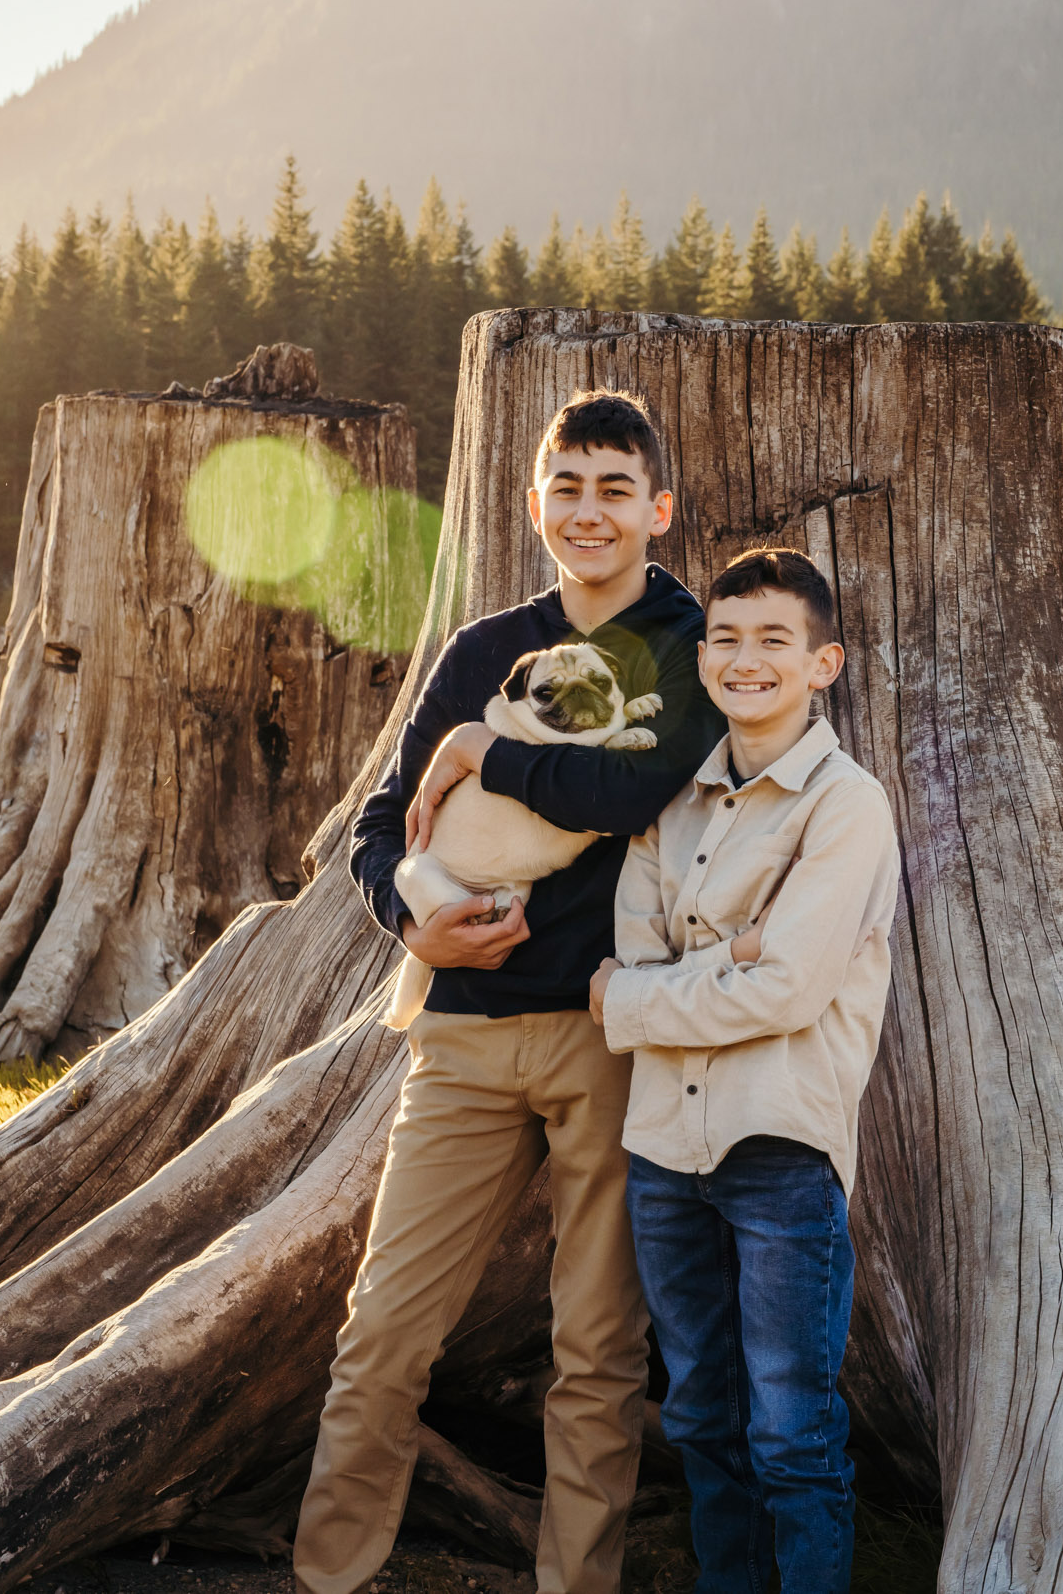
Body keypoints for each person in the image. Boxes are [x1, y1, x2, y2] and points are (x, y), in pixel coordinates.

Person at [296, 390, 724, 1594]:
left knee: (596, 1354)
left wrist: (485, 751)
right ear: (533, 502)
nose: (590, 512)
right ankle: (329, 1575)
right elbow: (379, 827)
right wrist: (413, 910)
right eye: (568, 488)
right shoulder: (485, 647)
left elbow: (628, 795)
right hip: (462, 1033)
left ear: (658, 508)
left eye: (614, 489)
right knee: (382, 1335)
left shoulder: (689, 643)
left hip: (614, 1029)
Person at [588, 547, 901, 1594]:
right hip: (662, 1153)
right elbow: (638, 958)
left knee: (791, 1434)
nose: (744, 658)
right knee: (703, 1424)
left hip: (780, 1152)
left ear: (824, 663)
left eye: (774, 639)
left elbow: (784, 991)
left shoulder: (844, 805)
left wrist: (668, 989)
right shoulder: (671, 803)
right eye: (725, 637)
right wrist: (737, 952)